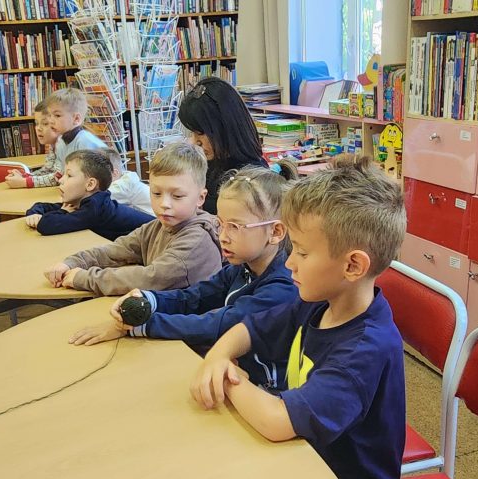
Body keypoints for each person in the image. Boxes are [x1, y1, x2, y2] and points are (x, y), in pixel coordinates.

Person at [190, 155, 407, 479]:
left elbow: (277, 421)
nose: (289, 263)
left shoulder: (364, 350)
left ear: (353, 266)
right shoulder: (319, 300)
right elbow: (251, 329)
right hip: (305, 454)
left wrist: (230, 377)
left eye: (302, 253)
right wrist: (219, 355)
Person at [70, 163, 299, 391]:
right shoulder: (242, 267)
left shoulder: (283, 287)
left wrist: (138, 326)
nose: (223, 236)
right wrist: (147, 300)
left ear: (275, 232)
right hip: (233, 373)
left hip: (265, 391)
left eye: (235, 227)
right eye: (220, 224)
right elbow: (194, 297)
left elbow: (219, 325)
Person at [44, 142, 221, 296]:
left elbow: (150, 278)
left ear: (200, 198)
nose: (164, 204)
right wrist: (73, 262)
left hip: (184, 322)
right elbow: (117, 250)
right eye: (156, 193)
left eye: (177, 196)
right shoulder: (157, 226)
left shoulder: (197, 240)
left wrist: (85, 278)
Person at [178, 77, 267, 214]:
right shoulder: (209, 163)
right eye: (193, 132)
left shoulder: (250, 179)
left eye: (201, 133)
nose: (195, 141)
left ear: (225, 128)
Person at [25, 149, 153, 240]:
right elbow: (46, 207)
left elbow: (46, 225)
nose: (61, 180)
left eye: (69, 175)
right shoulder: (89, 201)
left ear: (90, 184)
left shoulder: (96, 209)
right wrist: (34, 214)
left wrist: (62, 212)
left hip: (156, 242)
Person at [5, 88, 107, 188]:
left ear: (76, 119)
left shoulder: (84, 141)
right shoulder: (61, 141)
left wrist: (25, 182)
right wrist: (26, 176)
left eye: (57, 115)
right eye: (50, 116)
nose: (51, 121)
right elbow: (59, 174)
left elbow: (83, 180)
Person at [103, 148, 153, 215]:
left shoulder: (122, 185)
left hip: (155, 217)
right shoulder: (127, 178)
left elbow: (102, 198)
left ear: (114, 173)